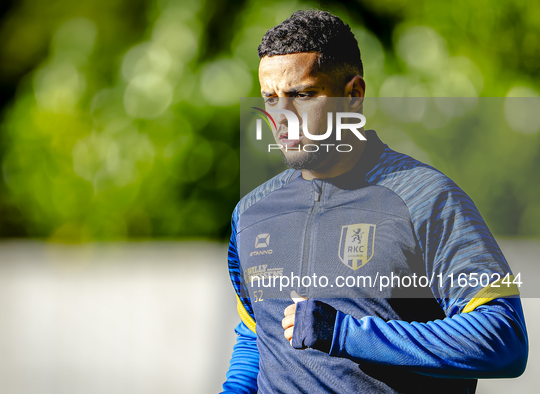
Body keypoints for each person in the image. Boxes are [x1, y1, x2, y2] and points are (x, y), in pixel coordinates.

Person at [222, 10, 528, 394]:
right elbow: (257, 334)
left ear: (353, 95)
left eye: (303, 95)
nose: (282, 117)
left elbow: (503, 338)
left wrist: (345, 333)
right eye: (270, 98)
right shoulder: (251, 213)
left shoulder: (426, 198)